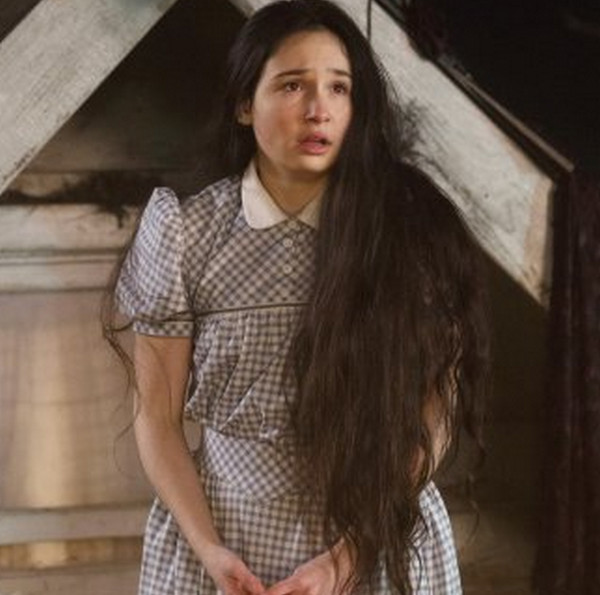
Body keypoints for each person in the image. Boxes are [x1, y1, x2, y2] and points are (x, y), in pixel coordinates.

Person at [104, 1, 490, 593]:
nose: (318, 109)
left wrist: (345, 558)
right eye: (292, 85)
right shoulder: (185, 232)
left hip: (375, 536)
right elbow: (156, 418)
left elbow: (433, 411)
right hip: (223, 538)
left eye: (339, 87)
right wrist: (210, 550)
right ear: (243, 104)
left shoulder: (408, 228)